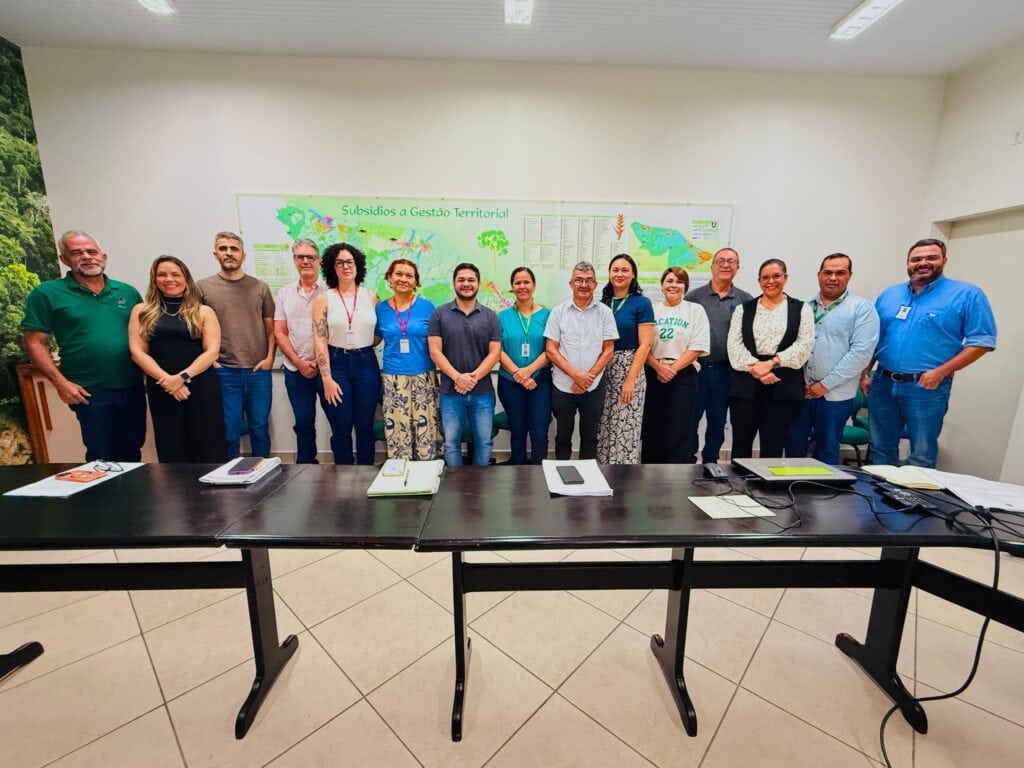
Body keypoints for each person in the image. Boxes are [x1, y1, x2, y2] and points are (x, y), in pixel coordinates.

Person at [862, 238, 996, 468]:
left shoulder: (967, 295)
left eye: (931, 257)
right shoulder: (889, 295)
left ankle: (914, 503)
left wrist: (942, 372)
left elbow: (982, 342)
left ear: (944, 260)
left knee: (921, 453)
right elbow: (876, 338)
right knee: (880, 448)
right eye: (916, 259)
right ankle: (880, 502)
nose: (923, 263)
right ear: (908, 263)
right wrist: (866, 372)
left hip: (926, 387)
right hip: (882, 383)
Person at [22, 230, 145, 462]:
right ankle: (103, 499)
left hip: (132, 385)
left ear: (104, 257)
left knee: (132, 448)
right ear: (64, 259)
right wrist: (61, 383)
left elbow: (145, 335)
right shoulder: (47, 294)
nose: (87, 257)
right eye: (77, 253)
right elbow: (34, 342)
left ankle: (131, 499)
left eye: (92, 251)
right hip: (89, 390)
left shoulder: (127, 292)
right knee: (101, 454)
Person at [127, 256, 226, 462]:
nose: (169, 279)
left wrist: (181, 377)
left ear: (186, 279)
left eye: (175, 274)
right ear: (154, 279)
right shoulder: (142, 311)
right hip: (162, 386)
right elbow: (138, 352)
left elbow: (211, 352)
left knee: (207, 444)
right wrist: (168, 381)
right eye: (162, 275)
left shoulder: (203, 311)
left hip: (200, 385)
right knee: (171, 445)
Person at [785, 254, 879, 465]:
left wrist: (825, 385)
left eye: (840, 273)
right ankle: (791, 492)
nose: (833, 278)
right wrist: (801, 384)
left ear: (849, 276)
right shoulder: (804, 306)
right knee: (793, 444)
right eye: (828, 272)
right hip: (801, 392)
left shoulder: (862, 309)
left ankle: (822, 496)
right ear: (819, 275)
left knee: (827, 448)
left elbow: (860, 353)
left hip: (834, 393)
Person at [196, 231, 276, 459]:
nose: (229, 253)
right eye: (223, 248)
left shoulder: (260, 287)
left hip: (257, 370)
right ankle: (228, 476)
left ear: (243, 254)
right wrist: (212, 362)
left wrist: (270, 357)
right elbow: (195, 329)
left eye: (234, 249)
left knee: (259, 428)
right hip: (224, 372)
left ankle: (263, 471)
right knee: (228, 431)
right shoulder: (202, 288)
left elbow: (270, 326)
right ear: (215, 254)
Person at [726, 258, 814, 459]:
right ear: (759, 281)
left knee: (773, 443)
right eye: (765, 277)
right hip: (746, 383)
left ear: (785, 278)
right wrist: (757, 369)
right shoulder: (744, 309)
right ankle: (738, 486)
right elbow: (734, 345)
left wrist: (771, 363)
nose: (771, 281)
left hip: (783, 385)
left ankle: (767, 488)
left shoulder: (801, 309)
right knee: (741, 442)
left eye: (776, 276)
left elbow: (804, 345)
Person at [312, 243, 381, 465]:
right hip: (337, 363)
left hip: (366, 364)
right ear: (332, 267)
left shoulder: (371, 297)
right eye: (339, 262)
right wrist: (326, 378)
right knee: (341, 426)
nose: (345, 266)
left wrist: (364, 342)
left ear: (357, 265)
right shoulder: (324, 298)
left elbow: (378, 333)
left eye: (349, 262)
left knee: (365, 426)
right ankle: (342, 477)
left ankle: (366, 474)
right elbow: (320, 340)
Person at [428, 263, 502, 467]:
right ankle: (455, 487)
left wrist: (472, 378)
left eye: (471, 280)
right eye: (461, 280)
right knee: (451, 443)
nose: (466, 284)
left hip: (482, 392)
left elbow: (495, 353)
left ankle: (479, 485)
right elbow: (435, 351)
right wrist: (458, 378)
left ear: (478, 284)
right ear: (454, 283)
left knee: (484, 442)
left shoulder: (490, 316)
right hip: (450, 392)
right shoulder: (439, 314)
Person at [544, 261, 618, 460]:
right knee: (563, 437)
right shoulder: (558, 312)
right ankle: (561, 476)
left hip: (594, 387)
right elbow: (551, 349)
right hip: (563, 386)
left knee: (590, 437)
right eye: (579, 280)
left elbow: (608, 349)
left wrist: (589, 377)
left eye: (588, 280)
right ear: (571, 284)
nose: (583, 284)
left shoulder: (605, 313)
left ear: (595, 284)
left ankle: (588, 482)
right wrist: (577, 376)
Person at [685, 248, 753, 463]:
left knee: (718, 421)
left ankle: (710, 461)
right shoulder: (694, 297)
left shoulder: (746, 299)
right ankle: (687, 460)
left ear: (737, 268)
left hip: (726, 372)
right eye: (721, 261)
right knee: (690, 419)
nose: (726, 265)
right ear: (712, 266)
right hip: (696, 369)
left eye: (731, 261)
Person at [373, 258, 442, 460]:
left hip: (424, 377)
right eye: (399, 274)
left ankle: (426, 474)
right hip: (394, 379)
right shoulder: (381, 309)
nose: (403, 279)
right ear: (389, 278)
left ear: (415, 281)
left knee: (425, 431)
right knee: (398, 433)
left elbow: (438, 341)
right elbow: (375, 339)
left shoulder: (428, 307)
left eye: (409, 275)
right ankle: (399, 477)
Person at [641, 267, 710, 463]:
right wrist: (658, 367)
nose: (674, 285)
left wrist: (672, 368)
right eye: (669, 281)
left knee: (678, 428)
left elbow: (697, 346)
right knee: (652, 426)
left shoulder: (695, 310)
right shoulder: (651, 309)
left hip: (683, 375)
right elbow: (643, 345)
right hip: (653, 372)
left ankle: (674, 480)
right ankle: (648, 476)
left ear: (685, 287)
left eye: (679, 282)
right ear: (662, 285)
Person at [596, 254, 654, 464]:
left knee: (625, 427)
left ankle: (623, 480)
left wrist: (630, 379)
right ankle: (603, 473)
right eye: (615, 270)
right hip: (604, 368)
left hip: (630, 368)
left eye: (624, 270)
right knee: (604, 424)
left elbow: (645, 344)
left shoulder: (642, 303)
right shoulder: (602, 303)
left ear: (633, 275)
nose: (619, 274)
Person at [274, 238, 328, 463]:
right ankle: (306, 466)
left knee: (338, 420)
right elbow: (279, 332)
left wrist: (319, 361)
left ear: (319, 261)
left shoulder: (330, 292)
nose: (306, 261)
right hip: (295, 370)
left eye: (311, 257)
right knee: (303, 422)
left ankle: (343, 467)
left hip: (327, 370)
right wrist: (299, 362)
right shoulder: (284, 293)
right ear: (295, 260)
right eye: (300, 257)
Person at [497, 266, 552, 464]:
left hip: (541, 382)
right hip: (509, 381)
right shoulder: (502, 317)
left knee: (539, 430)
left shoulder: (547, 315)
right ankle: (517, 471)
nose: (522, 286)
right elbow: (498, 350)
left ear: (534, 285)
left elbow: (551, 349)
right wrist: (518, 374)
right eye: (517, 282)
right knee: (517, 430)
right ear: (512, 287)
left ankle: (540, 471)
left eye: (526, 282)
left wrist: (528, 372)